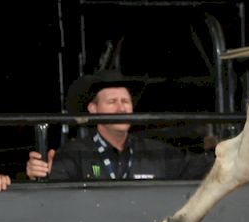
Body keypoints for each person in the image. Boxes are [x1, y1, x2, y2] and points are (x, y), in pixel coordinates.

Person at [25, 71, 212, 181]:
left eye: (126, 101)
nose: (121, 108)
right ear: (93, 109)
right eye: (112, 101)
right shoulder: (74, 154)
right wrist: (40, 175)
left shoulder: (157, 152)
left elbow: (209, 167)